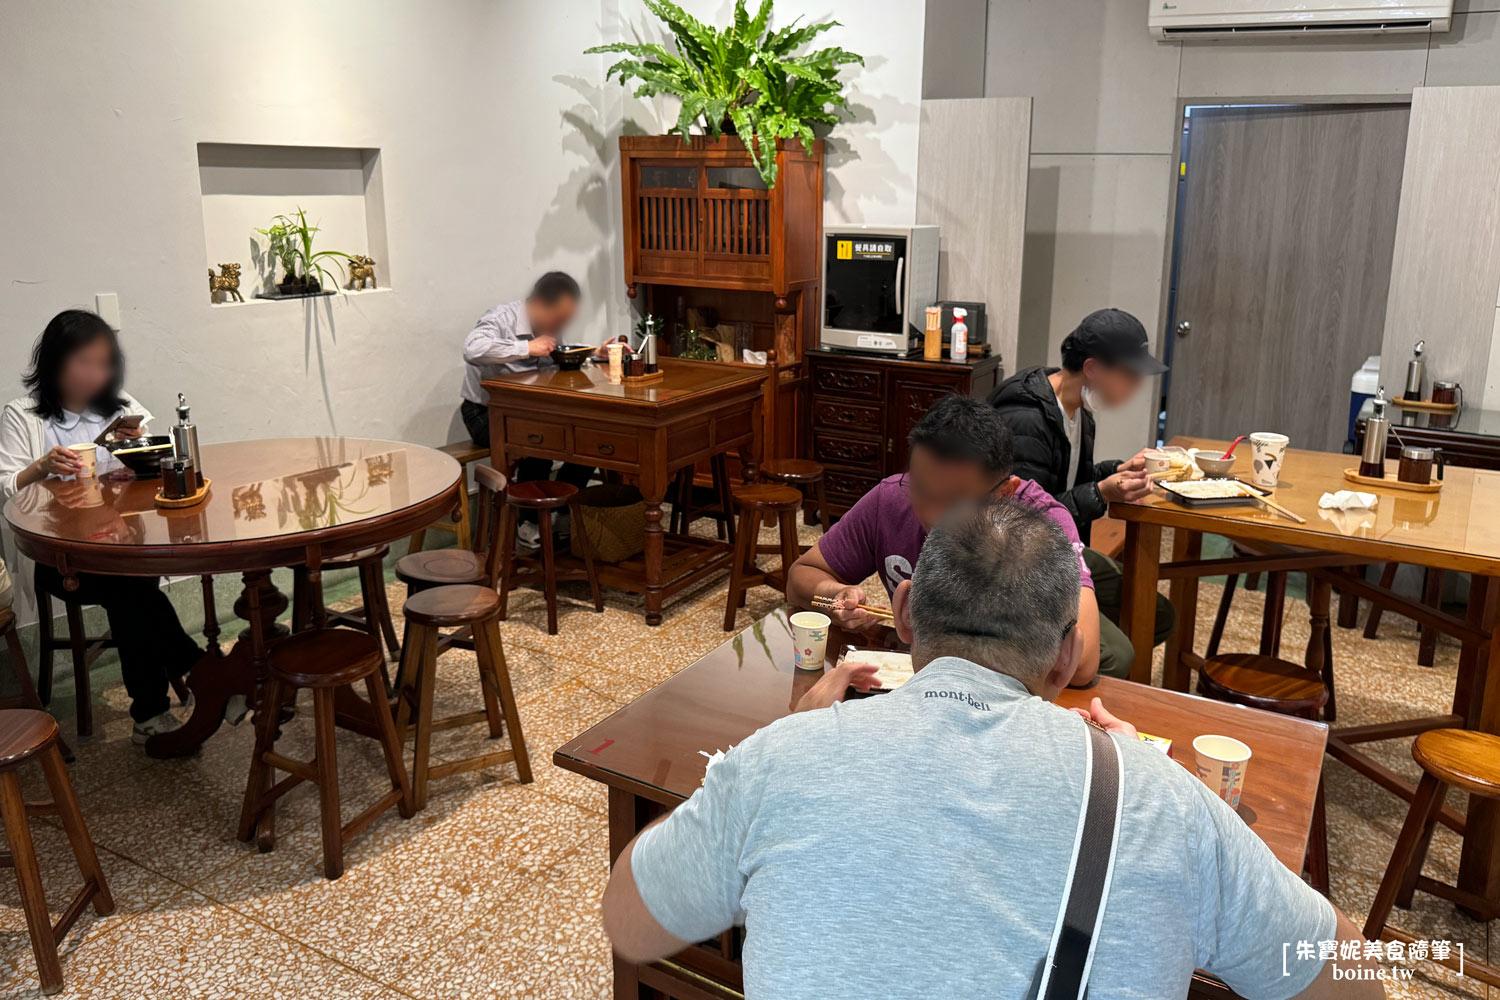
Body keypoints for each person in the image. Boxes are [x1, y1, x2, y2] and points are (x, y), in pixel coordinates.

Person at [602, 500, 1383, 1000]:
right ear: (1067, 651)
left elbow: (630, 928)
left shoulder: (779, 762)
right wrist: (1166, 796)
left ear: (905, 613)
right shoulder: (1161, 801)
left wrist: (792, 737)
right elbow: (1354, 984)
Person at [786, 394, 1105, 687]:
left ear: (1005, 493)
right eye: (921, 490)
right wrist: (836, 595)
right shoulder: (891, 499)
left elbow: (1083, 662)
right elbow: (799, 578)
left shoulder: (1040, 523)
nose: (933, 516)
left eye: (955, 502)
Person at [0, 309, 204, 744]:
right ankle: (204, 673)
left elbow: (152, 464)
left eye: (104, 362)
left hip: (122, 542)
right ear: (55, 361)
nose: (97, 373)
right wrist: (41, 466)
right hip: (64, 557)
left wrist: (136, 453)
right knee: (133, 590)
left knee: (132, 589)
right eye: (84, 362)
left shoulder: (118, 406)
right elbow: (5, 489)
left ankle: (156, 710)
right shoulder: (24, 416)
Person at [989, 307, 1175, 677]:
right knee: (1115, 655)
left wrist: (1115, 473)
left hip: (1061, 552)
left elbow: (1066, 482)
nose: (1137, 385)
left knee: (1156, 613)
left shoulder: (1078, 413)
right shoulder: (1026, 418)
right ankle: (1054, 694)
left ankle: (1064, 669)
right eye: (1130, 375)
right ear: (1092, 369)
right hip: (1014, 566)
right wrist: (1100, 494)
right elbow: (1024, 522)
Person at [459, 271, 596, 546]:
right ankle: (528, 522)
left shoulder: (548, 329)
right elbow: (472, 349)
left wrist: (597, 357)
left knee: (587, 437)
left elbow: (552, 367)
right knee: (540, 438)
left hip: (528, 412)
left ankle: (558, 513)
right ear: (537, 304)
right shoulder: (501, 319)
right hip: (483, 414)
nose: (560, 325)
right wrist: (526, 347)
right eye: (558, 318)